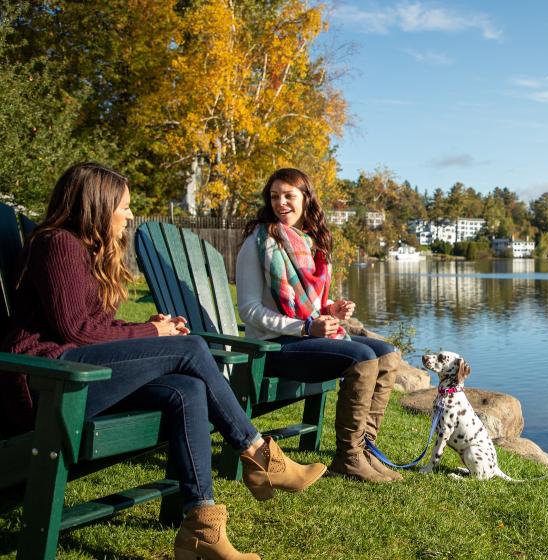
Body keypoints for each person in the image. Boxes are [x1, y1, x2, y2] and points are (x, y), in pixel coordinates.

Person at [1, 162, 327, 560]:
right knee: (189, 349)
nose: (130, 214)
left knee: (186, 388)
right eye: (123, 205)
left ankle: (201, 528)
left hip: (80, 375)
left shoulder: (81, 249)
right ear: (97, 205)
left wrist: (149, 327)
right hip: (46, 385)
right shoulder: (57, 243)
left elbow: (92, 325)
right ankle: (260, 456)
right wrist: (152, 333)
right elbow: (76, 331)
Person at [236, 168, 404, 483]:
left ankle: (366, 448)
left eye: (289, 196)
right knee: (363, 357)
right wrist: (306, 328)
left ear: (306, 199)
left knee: (388, 354)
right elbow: (249, 310)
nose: (280, 203)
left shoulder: (311, 243)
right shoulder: (258, 244)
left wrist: (329, 310)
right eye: (274, 196)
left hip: (302, 340)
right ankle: (349, 457)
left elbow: (306, 307)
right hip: (273, 347)